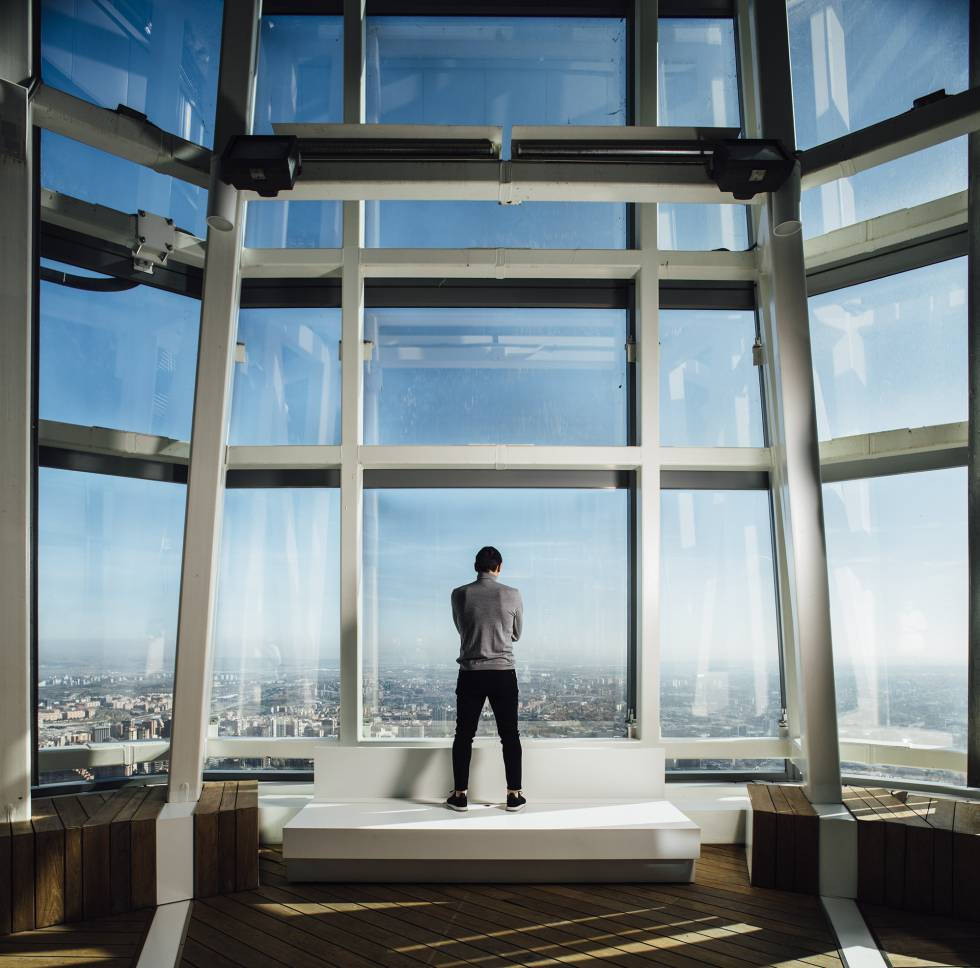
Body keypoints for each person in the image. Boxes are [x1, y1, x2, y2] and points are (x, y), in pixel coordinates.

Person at [446, 546, 526, 813]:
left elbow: (462, 629)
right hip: (503, 673)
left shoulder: (459, 594)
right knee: (510, 735)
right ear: (499, 567)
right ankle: (514, 795)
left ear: (475, 566)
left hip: (470, 673)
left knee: (464, 735)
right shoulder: (511, 594)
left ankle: (460, 795)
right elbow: (516, 634)